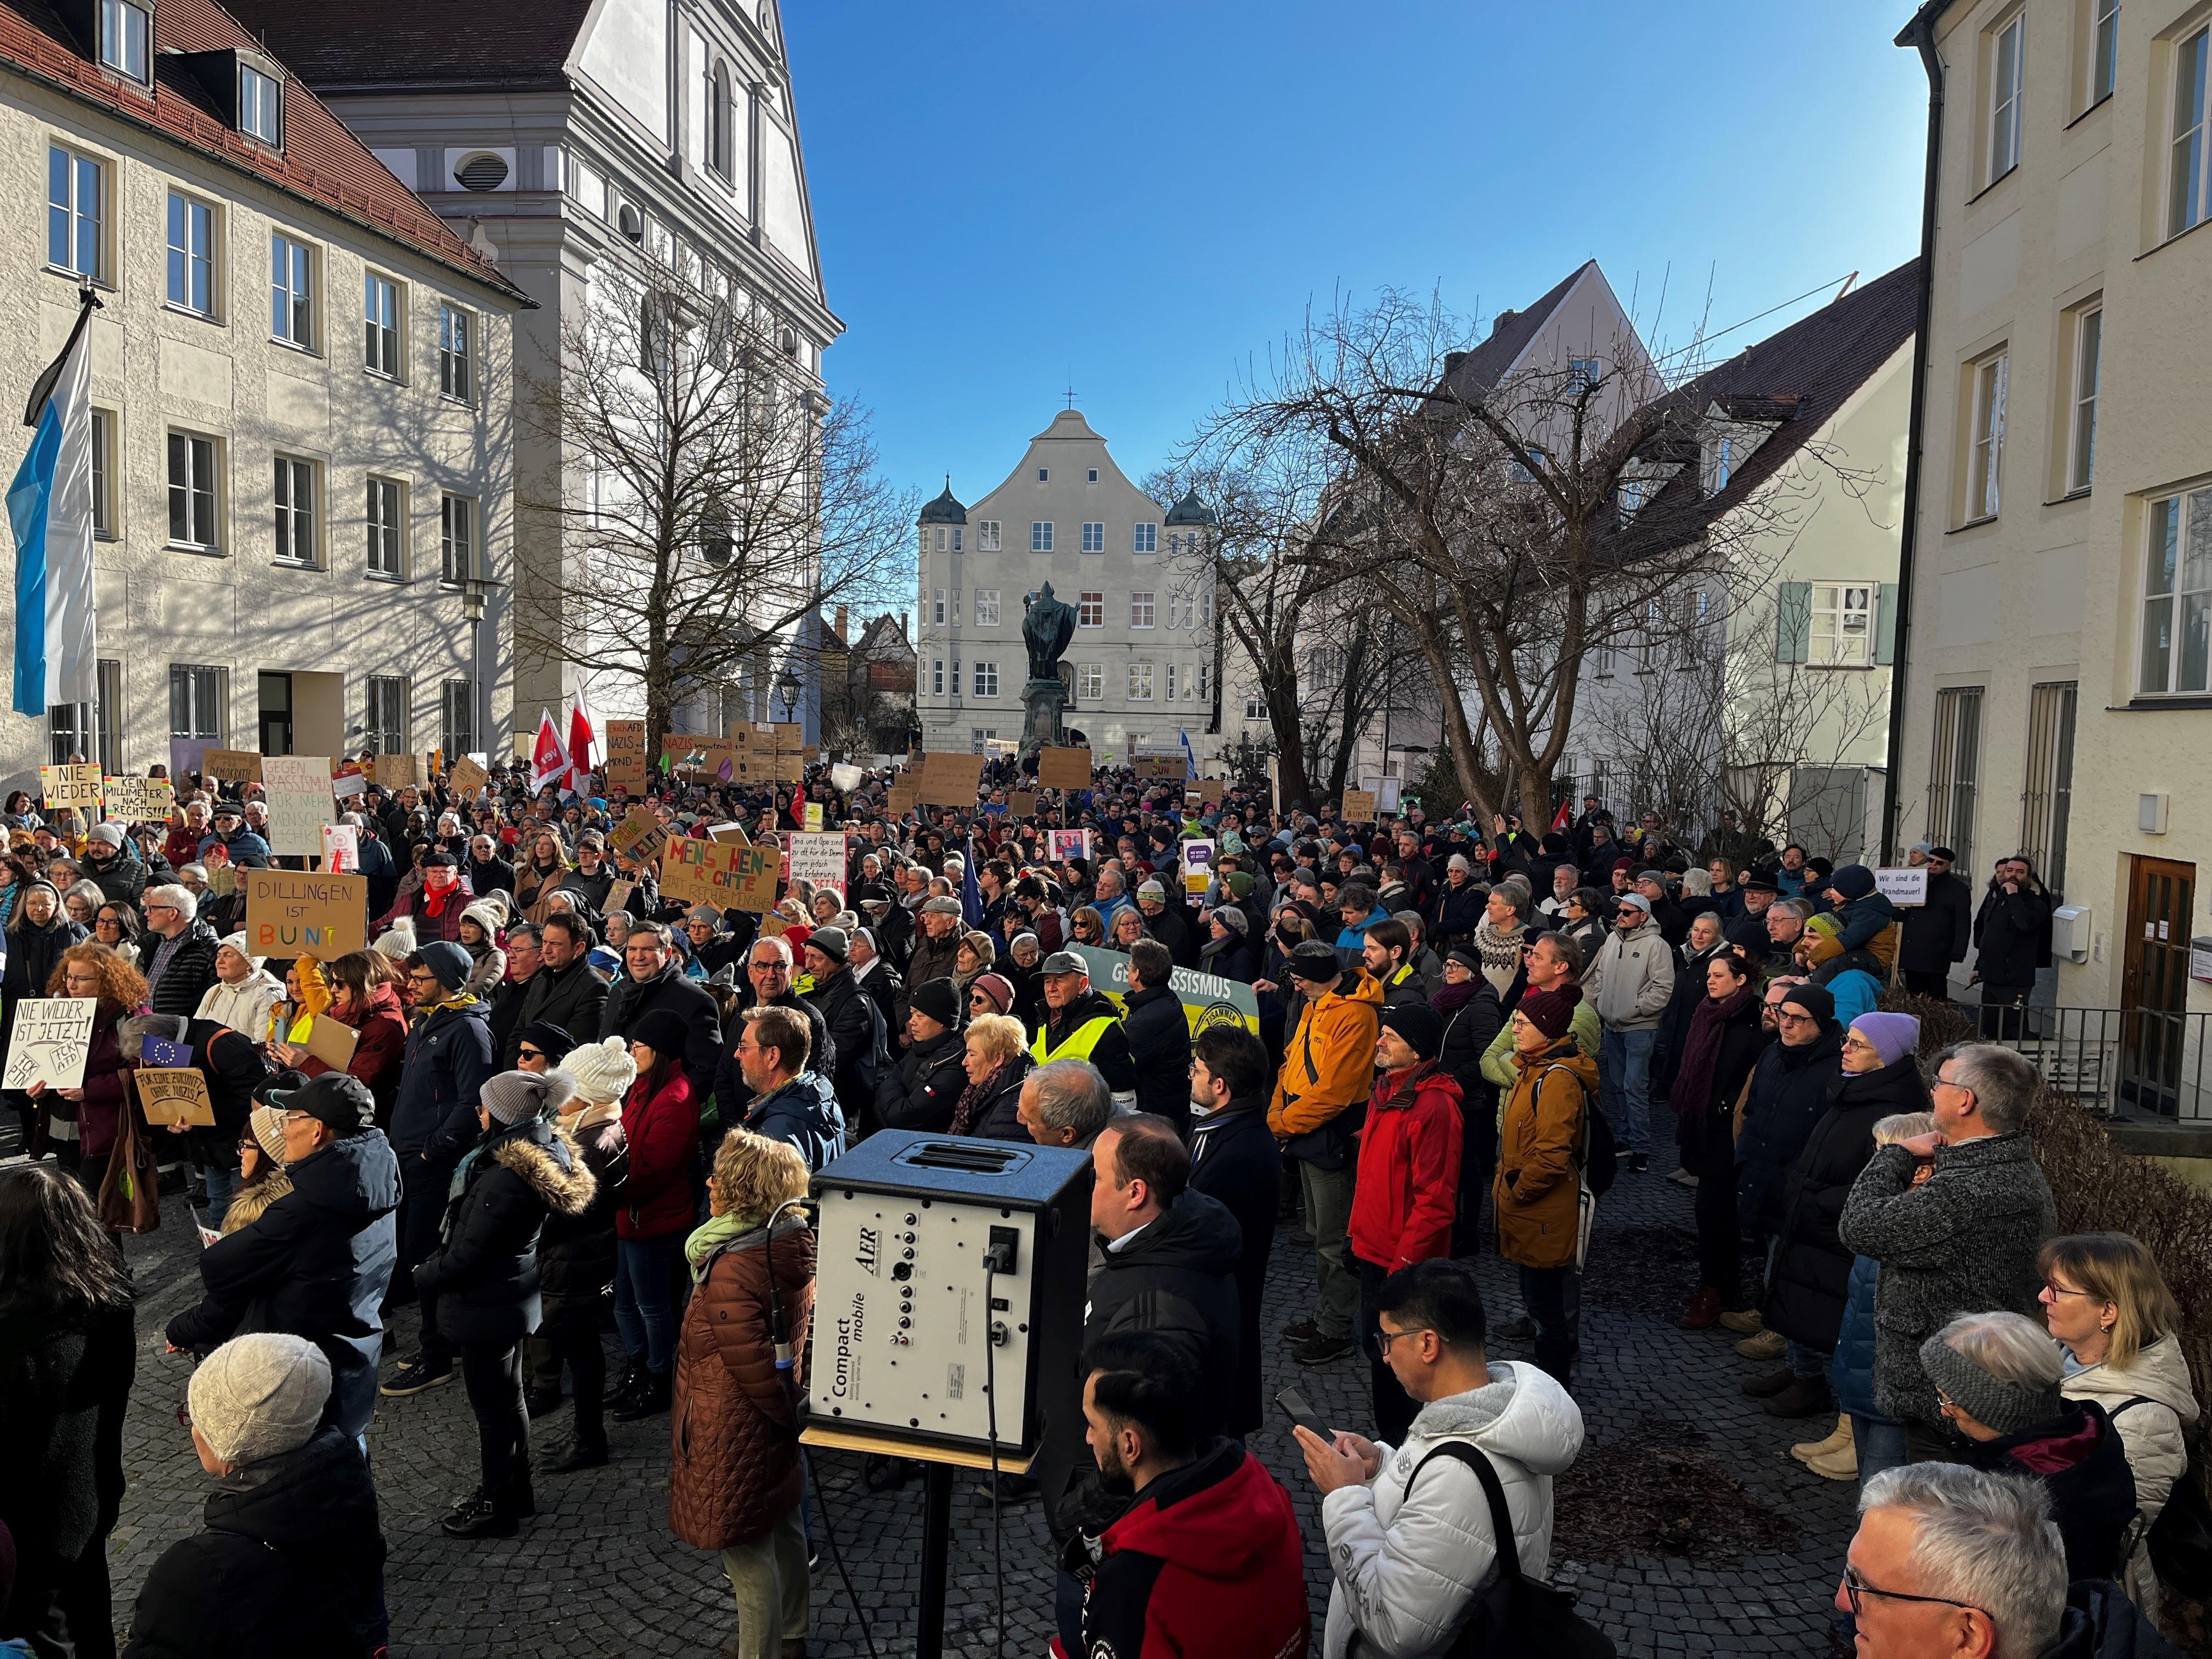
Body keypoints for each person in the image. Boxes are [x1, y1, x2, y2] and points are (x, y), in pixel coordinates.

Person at [1294, 1258, 1584, 1659]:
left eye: (1388, 1340)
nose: (1385, 1357)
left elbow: (1395, 1628)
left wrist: (1344, 1496)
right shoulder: (1498, 1417)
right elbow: (1441, 1515)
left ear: (1428, 1344)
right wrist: (1379, 1466)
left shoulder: (1459, 1472)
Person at [1047, 1113, 1242, 1650]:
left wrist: (1074, 1525)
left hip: (1117, 1534)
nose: (1083, 1186)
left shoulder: (1158, 1305)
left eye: (1096, 1175)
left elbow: (1137, 1454)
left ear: (1136, 1193)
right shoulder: (1174, 1236)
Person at [1840, 1042, 2058, 1462]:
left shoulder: (1971, 1188)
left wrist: (1897, 1155)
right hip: (1950, 1392)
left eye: (1939, 1083)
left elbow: (1859, 1227)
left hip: (1946, 1404)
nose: (1932, 1092)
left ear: (1965, 1100)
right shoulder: (1999, 1169)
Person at [163, 1072, 400, 1445]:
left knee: (313, 1475)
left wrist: (183, 1329)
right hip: (355, 1355)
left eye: (291, 1119)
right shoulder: (374, 1178)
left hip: (303, 1372)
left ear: (318, 1130)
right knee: (347, 1454)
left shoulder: (302, 1210)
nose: (284, 1129)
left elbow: (220, 1267)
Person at [119, 1333, 385, 1659]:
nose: (192, 1429)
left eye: (197, 1415)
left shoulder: (198, 1573)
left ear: (227, 1436)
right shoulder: (345, 1489)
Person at [414, 1068, 594, 1537]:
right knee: (509, 1398)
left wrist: (423, 1274)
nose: (478, 1112)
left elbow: (468, 1255)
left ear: (500, 1116)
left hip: (486, 1305)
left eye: (484, 1106)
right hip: (512, 1297)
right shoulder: (541, 1153)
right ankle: (518, 1491)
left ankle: (498, 1503)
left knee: (492, 1412)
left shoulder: (502, 1180)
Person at [1053, 1332, 1310, 1659]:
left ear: (1130, 1446)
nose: (1088, 1437)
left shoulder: (1133, 1586)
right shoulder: (1266, 1492)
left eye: (1092, 1424)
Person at [670, 1128, 816, 1659]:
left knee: (747, 1556)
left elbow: (752, 1369)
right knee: (785, 1524)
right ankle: (795, 1635)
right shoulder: (790, 1240)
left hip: (732, 1426)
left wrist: (781, 1416)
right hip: (770, 1422)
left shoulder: (732, 1264)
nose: (709, 1183)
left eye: (721, 1178)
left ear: (742, 1192)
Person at [1751, 996, 1917, 1425]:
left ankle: (1821, 1393)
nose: (1845, 1048)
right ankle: (1799, 1371)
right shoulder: (1853, 1088)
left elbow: (1876, 1180)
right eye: (1848, 1040)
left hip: (1831, 1225)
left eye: (1857, 1044)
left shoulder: (1890, 1109)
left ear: (1885, 1056)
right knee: (1795, 1293)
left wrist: (1818, 1199)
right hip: (1810, 1213)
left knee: (1821, 1307)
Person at [0, 1164, 134, 1659]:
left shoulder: (12, 1329)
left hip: (24, 1522)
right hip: (92, 1495)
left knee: (43, 1637)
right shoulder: (109, 1303)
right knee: (93, 1620)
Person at [2039, 1232, 2202, 1614]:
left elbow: (2109, 1534)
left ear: (2107, 1312)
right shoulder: (2054, 1362)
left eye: (2057, 1289)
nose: (2043, 1297)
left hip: (2091, 1606)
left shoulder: (2145, 1419)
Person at [1919, 1313, 2135, 1583]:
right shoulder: (2087, 1432)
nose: (1945, 1413)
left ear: (1994, 1408)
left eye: (1948, 1400)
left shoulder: (2025, 1495)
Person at [381, 941, 495, 1396]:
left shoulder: (467, 1031)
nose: (412, 986)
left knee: (427, 1258)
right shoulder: (428, 1022)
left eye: (421, 978)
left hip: (431, 1162)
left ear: (448, 979)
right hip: (408, 1156)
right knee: (413, 1256)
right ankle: (439, 1341)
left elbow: (473, 1100)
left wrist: (436, 1148)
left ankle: (437, 1356)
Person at [1268, 938, 1385, 1367]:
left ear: (1316, 978)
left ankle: (1336, 1329)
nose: (1295, 988)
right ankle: (1325, 1318)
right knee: (1321, 1234)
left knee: (1334, 1240)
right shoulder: (1320, 1003)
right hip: (1307, 1129)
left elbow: (1334, 1092)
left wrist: (1281, 1122)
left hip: (1328, 1135)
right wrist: (1280, 1111)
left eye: (1299, 979)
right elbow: (1290, 1062)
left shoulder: (1354, 1014)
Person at [1350, 1005, 1464, 1440]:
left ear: (1416, 1052)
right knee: (1377, 1352)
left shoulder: (1433, 1107)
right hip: (1373, 1249)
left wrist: (1404, 1265)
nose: (1379, 1042)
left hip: (1403, 1263)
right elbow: (1374, 1178)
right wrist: (1354, 1235)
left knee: (1404, 1365)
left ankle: (1407, 1450)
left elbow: (1436, 1201)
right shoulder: (1387, 1090)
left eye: (1390, 1037)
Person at [533, 1036, 634, 1470]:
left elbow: (567, 1209)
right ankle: (585, 1434)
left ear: (586, 1096)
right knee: (580, 1348)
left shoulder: (592, 1142)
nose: (558, 1100)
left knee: (581, 1350)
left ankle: (589, 1439)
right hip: (580, 1257)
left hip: (578, 1261)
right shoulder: (593, 1129)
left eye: (566, 1091)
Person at [1493, 988, 1600, 1387]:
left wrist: (1518, 1193)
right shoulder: (1534, 1067)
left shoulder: (1556, 1080)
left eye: (1522, 1023)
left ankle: (1554, 1392)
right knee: (1538, 1302)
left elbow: (1553, 1155)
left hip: (1541, 1209)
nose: (1515, 1029)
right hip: (1530, 1208)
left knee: (1546, 1310)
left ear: (1546, 1030)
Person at [1186, 1026, 1282, 1442]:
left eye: (1198, 1070)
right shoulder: (1225, 1129)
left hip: (1216, 1310)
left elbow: (1202, 1234)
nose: (1191, 1075)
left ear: (1219, 1086)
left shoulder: (1239, 1152)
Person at [1670, 949, 1771, 1329]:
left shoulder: (1751, 1021)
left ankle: (1716, 1291)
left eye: (1719, 975)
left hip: (1729, 1134)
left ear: (1741, 979)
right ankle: (1721, 1287)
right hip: (1703, 1127)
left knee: (1716, 1214)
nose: (1710, 981)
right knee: (1711, 1213)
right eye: (1709, 974)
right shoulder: (1707, 1013)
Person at [609, 1008, 701, 1423]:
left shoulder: (675, 1096)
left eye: (639, 1046)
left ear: (659, 1051)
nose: (632, 1051)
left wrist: (604, 1189)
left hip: (653, 1219)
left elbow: (652, 1169)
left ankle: (660, 1377)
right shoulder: (642, 1087)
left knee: (652, 1305)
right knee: (625, 1304)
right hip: (630, 1216)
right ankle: (638, 1367)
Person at [1583, 889, 1673, 1177]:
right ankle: (1625, 1138)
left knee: (1635, 1087)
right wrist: (1601, 1000)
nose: (1619, 916)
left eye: (1626, 913)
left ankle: (1641, 1148)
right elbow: (1600, 975)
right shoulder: (1611, 939)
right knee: (1620, 1086)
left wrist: (1635, 1008)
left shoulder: (1657, 945)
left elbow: (1663, 989)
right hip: (1612, 1026)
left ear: (1643, 917)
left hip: (1639, 1028)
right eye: (1619, 911)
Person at [276, 950, 409, 1131]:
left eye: (340, 984)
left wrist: (305, 1062)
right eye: (332, 982)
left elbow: (358, 1084)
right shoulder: (347, 1010)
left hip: (355, 1121)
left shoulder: (385, 1027)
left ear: (362, 984)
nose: (333, 990)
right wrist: (291, 1060)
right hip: (332, 1109)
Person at [600, 921, 724, 1092]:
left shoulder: (695, 1001)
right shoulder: (617, 993)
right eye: (632, 949)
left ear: (667, 953)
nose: (638, 957)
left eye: (648, 950)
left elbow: (705, 1070)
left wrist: (666, 1106)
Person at [732, 1005, 844, 1170]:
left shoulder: (775, 1139)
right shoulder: (819, 1099)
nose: (737, 1054)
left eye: (744, 1047)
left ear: (772, 1056)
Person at [800, 927, 885, 1133]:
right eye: (807, 955)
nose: (808, 964)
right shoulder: (815, 987)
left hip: (840, 1107)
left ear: (838, 960)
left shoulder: (855, 1003)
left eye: (817, 958)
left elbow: (833, 1058)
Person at [1030, 951, 1138, 1094]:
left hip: (1083, 1116)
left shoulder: (1106, 1030)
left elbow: (1124, 1098)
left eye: (1060, 980)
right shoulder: (1045, 1017)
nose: (1051, 988)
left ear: (1083, 984)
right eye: (1047, 981)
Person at [1972, 856, 2053, 1039]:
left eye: (2020, 872)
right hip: (1991, 976)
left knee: (2012, 1029)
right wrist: (1979, 967)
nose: (2013, 875)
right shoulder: (1997, 899)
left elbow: (2025, 924)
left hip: (2015, 979)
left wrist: (2014, 896)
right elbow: (1989, 937)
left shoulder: (2036, 903)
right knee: (1990, 1027)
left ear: (2029, 876)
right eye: (2010, 871)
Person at [1120, 939, 1192, 1136]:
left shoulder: (1149, 1018)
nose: (1128, 970)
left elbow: (1122, 1067)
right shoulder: (1164, 1000)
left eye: (1130, 966)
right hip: (1168, 1106)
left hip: (1157, 1119)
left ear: (1138, 974)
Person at [1897, 847, 1973, 999]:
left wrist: (1958, 951)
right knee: (1912, 993)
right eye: (1931, 860)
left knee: (1936, 994)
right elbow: (1906, 912)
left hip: (1938, 951)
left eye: (1940, 863)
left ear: (1948, 866)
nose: (1933, 865)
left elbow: (1963, 922)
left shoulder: (1958, 890)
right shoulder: (1917, 882)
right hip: (1913, 949)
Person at [193, 935, 284, 1038]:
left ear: (249, 963)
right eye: (219, 956)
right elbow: (195, 1034)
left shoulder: (269, 995)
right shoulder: (215, 991)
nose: (219, 961)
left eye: (228, 955)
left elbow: (265, 1046)